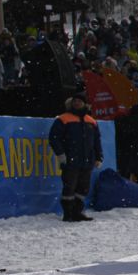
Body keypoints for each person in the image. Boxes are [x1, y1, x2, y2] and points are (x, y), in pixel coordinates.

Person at [49, 94, 103, 222]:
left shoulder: (92, 121)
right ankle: (68, 213)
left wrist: (99, 157)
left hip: (87, 160)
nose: (77, 103)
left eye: (80, 101)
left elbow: (96, 141)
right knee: (69, 187)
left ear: (85, 104)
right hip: (70, 160)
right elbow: (54, 138)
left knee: (83, 188)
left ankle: (77, 212)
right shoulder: (63, 119)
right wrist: (61, 154)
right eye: (75, 101)